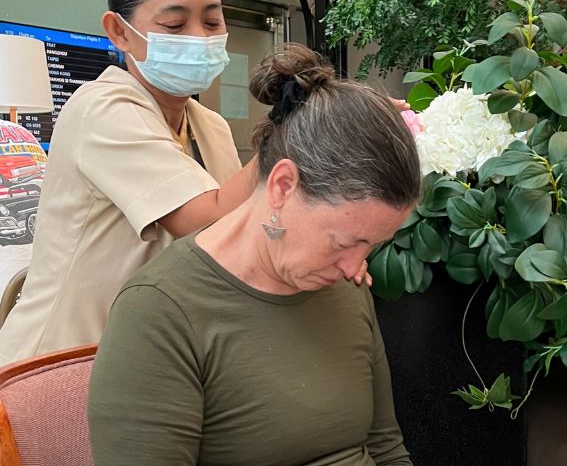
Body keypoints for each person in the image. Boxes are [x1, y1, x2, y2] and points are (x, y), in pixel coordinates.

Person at [0, 0, 371, 364]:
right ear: (119, 31)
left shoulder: (207, 126)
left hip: (148, 356)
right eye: (175, 25)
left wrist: (334, 248)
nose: (198, 38)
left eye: (212, 23)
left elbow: (249, 227)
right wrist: (299, 127)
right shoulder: (100, 110)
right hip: (60, 365)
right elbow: (208, 222)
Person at [88, 44, 420, 466]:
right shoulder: (160, 312)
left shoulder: (345, 285)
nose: (356, 267)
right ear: (283, 186)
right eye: (343, 242)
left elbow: (386, 448)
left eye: (372, 246)